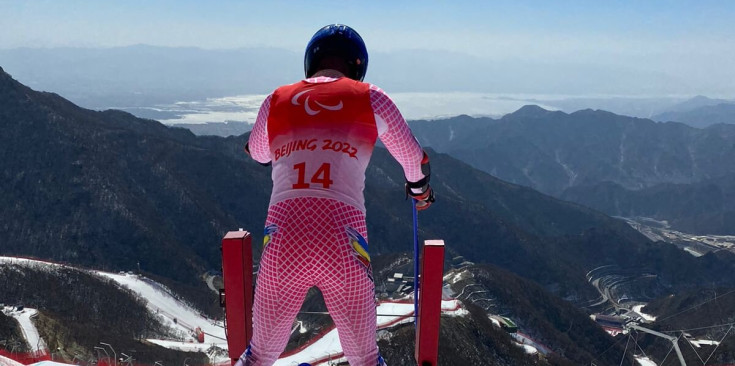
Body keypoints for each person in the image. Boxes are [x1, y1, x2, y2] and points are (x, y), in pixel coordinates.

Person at [239, 24, 434, 366]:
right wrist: (420, 190)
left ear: (310, 61)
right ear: (358, 67)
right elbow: (413, 160)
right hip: (343, 239)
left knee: (259, 355)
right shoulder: (372, 98)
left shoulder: (277, 99)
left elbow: (257, 152)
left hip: (283, 236)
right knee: (364, 359)